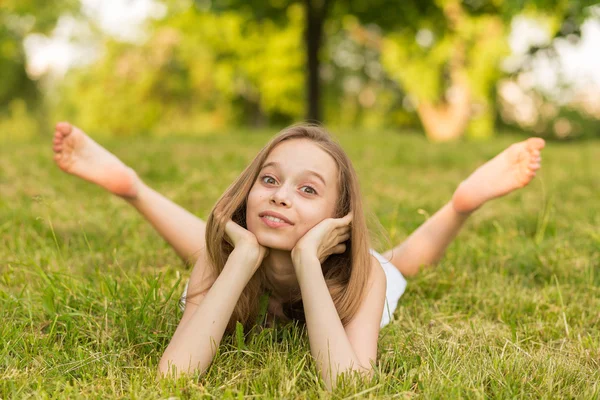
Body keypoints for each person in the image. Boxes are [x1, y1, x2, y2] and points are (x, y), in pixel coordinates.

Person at [51, 122, 544, 387]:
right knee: (208, 251)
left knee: (401, 262)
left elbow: (349, 385)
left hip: (341, 271)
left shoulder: (361, 274)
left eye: (308, 190)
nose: (280, 195)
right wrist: (242, 257)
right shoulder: (228, 255)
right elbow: (176, 374)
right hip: (246, 258)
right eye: (269, 180)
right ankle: (134, 188)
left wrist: (309, 260)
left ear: (339, 214)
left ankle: (461, 202)